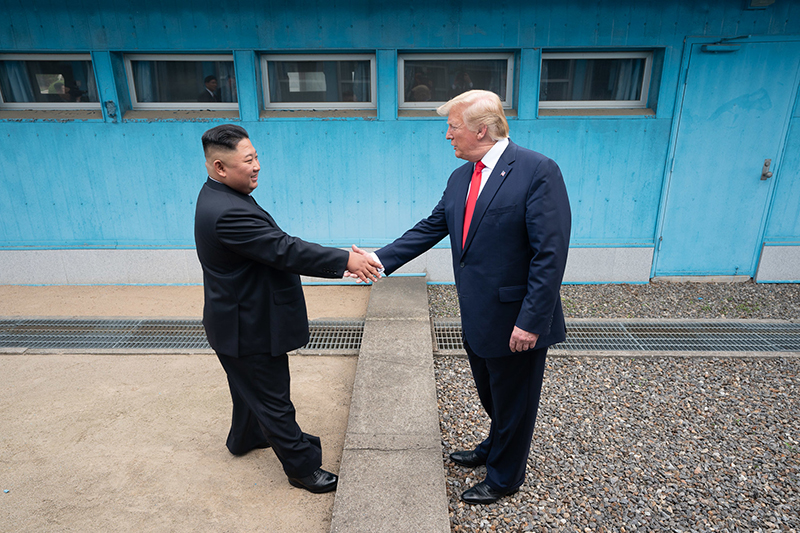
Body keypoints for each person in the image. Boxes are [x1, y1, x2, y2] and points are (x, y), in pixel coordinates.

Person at [357, 90, 571, 504]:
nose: (448, 136)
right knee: (492, 394)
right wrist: (379, 260)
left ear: (482, 129)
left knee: (515, 400)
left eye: (452, 128)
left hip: (516, 317)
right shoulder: (462, 176)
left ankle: (505, 476)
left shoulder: (537, 170)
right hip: (477, 313)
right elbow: (431, 226)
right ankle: (496, 445)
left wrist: (531, 320)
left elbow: (551, 253)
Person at [194, 124, 381, 494]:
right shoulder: (227, 211)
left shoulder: (219, 195)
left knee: (248, 387)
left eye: (256, 156)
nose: (257, 166)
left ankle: (244, 438)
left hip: (235, 320)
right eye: (248, 160)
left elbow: (275, 246)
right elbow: (285, 249)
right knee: (274, 399)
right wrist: (346, 260)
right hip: (248, 326)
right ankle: (303, 468)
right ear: (219, 167)